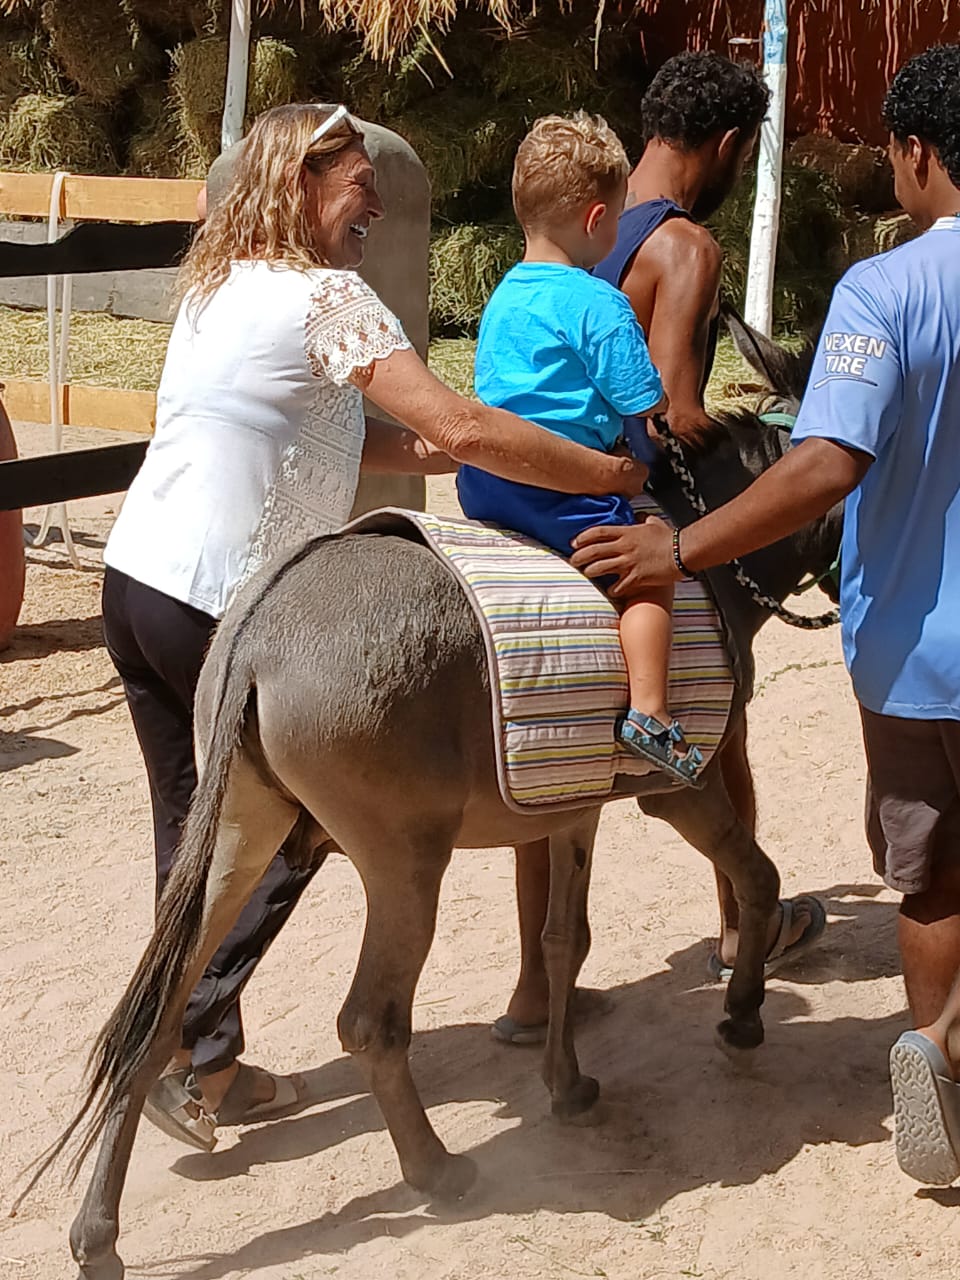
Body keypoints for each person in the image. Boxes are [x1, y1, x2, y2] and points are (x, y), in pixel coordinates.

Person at [103, 102, 650, 1150]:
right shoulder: (329, 297)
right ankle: (181, 1042)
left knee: (193, 831)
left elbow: (364, 435)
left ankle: (198, 1059)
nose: (378, 205)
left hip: (136, 585)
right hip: (222, 594)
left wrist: (465, 450)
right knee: (297, 818)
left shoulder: (220, 284)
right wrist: (602, 471)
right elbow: (458, 421)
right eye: (360, 184)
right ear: (302, 184)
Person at [569, 45, 960, 1185]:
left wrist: (680, 545)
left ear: (915, 151)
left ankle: (936, 1065)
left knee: (932, 877)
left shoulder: (883, 291)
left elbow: (827, 460)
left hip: (912, 654)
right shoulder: (699, 248)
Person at [494, 52, 824, 1043]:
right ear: (728, 145)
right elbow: (674, 410)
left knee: (553, 726)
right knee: (725, 718)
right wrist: (753, 440)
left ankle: (532, 983)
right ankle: (740, 927)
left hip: (527, 493)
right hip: (630, 497)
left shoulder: (574, 225)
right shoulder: (685, 245)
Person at [458, 113, 702, 785]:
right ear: (598, 220)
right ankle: (650, 713)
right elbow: (643, 399)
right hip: (564, 490)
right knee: (650, 571)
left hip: (486, 483)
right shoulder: (600, 303)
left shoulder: (503, 293)